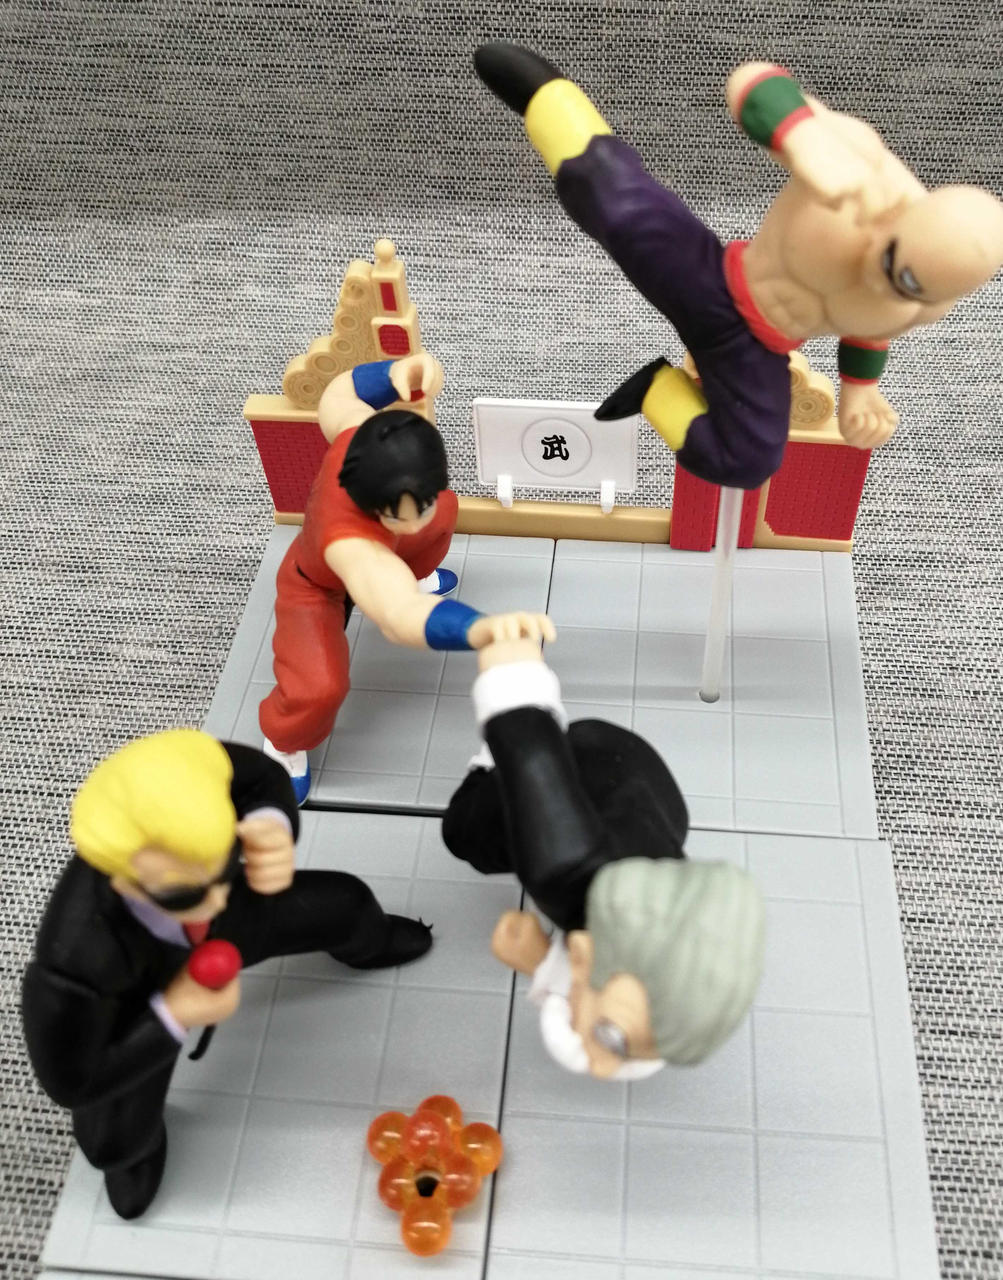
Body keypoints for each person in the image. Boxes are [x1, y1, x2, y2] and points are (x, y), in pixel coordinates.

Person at [473, 44, 1003, 488]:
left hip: (753, 350)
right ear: (906, 215)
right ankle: (548, 96)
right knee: (618, 204)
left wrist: (860, 390)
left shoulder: (921, 307)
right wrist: (800, 134)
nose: (877, 283)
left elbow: (870, 331)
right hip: (714, 278)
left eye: (908, 288)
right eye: (892, 263)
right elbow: (756, 82)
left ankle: (656, 391)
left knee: (747, 461)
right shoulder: (863, 169)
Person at [22, 729, 433, 1219]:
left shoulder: (201, 793)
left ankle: (371, 942)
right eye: (185, 892)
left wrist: (269, 825)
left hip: (242, 916)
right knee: (112, 1136)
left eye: (223, 862)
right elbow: (70, 1078)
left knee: (346, 903)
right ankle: (135, 1155)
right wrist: (172, 1014)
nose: (213, 900)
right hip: (136, 1000)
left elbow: (260, 778)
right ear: (122, 878)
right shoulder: (74, 956)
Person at [442, 638, 764, 1080]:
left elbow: (600, 978)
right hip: (592, 761)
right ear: (579, 954)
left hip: (644, 784)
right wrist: (513, 668)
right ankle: (487, 768)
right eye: (611, 1039)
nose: (599, 1065)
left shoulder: (677, 916)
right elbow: (529, 749)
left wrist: (543, 963)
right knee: (462, 832)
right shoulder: (560, 866)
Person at [259, 350, 554, 801]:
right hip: (316, 584)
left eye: (423, 500)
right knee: (318, 689)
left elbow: (339, 393)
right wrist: (478, 628)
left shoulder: (359, 433)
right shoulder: (351, 545)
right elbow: (399, 615)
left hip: (386, 552)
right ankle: (282, 744)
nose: (419, 519)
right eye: (404, 513)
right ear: (373, 506)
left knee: (445, 510)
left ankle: (416, 568)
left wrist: (393, 373)